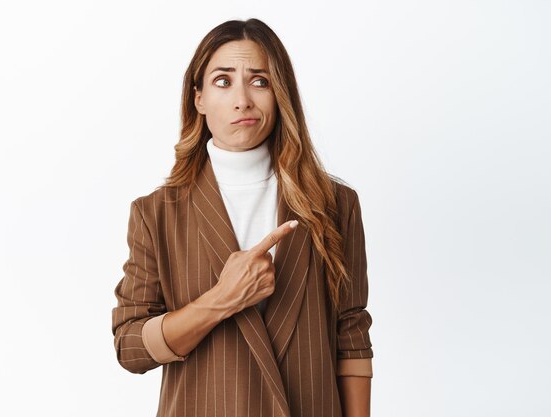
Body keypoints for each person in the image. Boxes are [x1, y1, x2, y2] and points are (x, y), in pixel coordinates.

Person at [111, 18, 374, 417]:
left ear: (280, 94)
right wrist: (221, 300)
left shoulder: (335, 203)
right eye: (222, 81)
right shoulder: (156, 213)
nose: (242, 100)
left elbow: (351, 333)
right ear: (197, 98)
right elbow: (130, 348)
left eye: (260, 81)